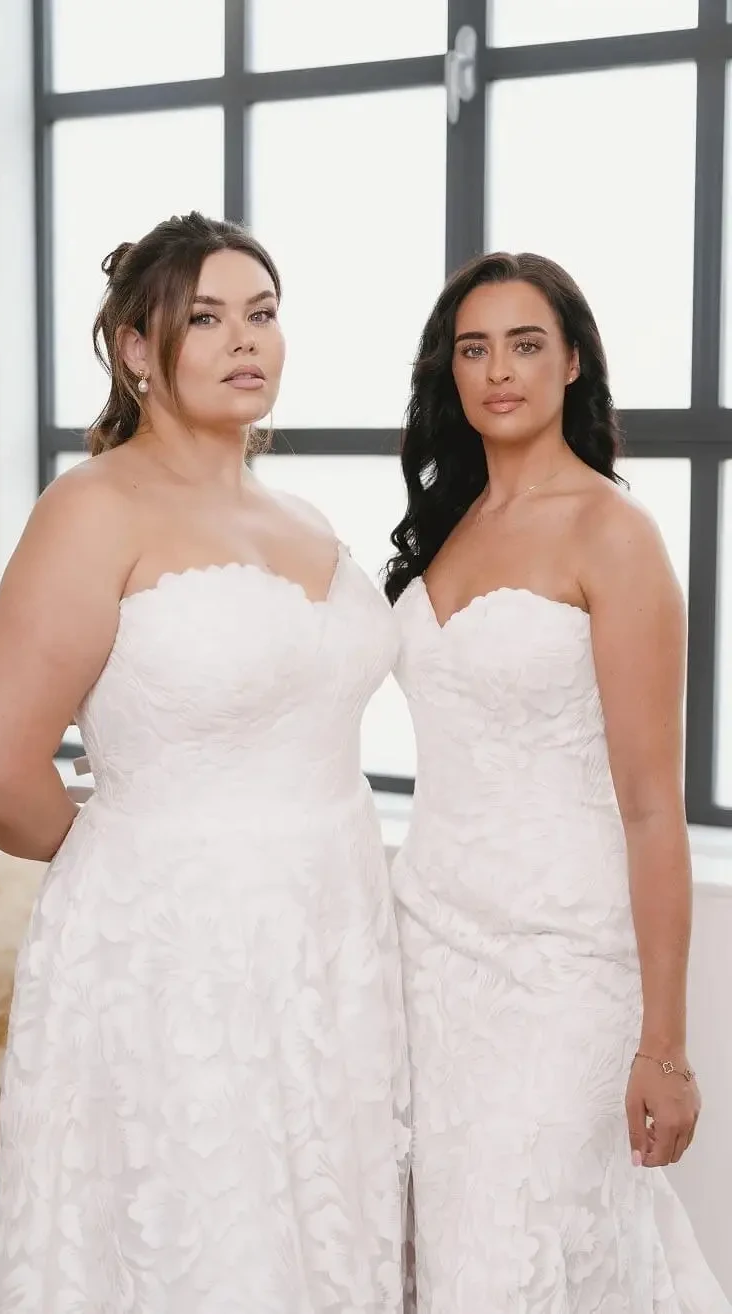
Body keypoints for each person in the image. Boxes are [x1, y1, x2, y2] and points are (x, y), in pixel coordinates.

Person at [0, 210, 410, 1313]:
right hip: (168, 955)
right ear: (136, 351)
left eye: (261, 313)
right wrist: (130, 866)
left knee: (316, 1230)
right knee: (196, 1237)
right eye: (204, 318)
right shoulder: (92, 508)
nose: (243, 338)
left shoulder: (302, 515)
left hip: (330, 939)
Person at [385, 251, 730, 1312]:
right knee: (439, 1256)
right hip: (425, 955)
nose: (498, 370)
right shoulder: (443, 526)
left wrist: (663, 1049)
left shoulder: (613, 536)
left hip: (559, 969)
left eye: (525, 344)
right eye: (473, 347)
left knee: (508, 1257)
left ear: (572, 361)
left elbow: (646, 807)